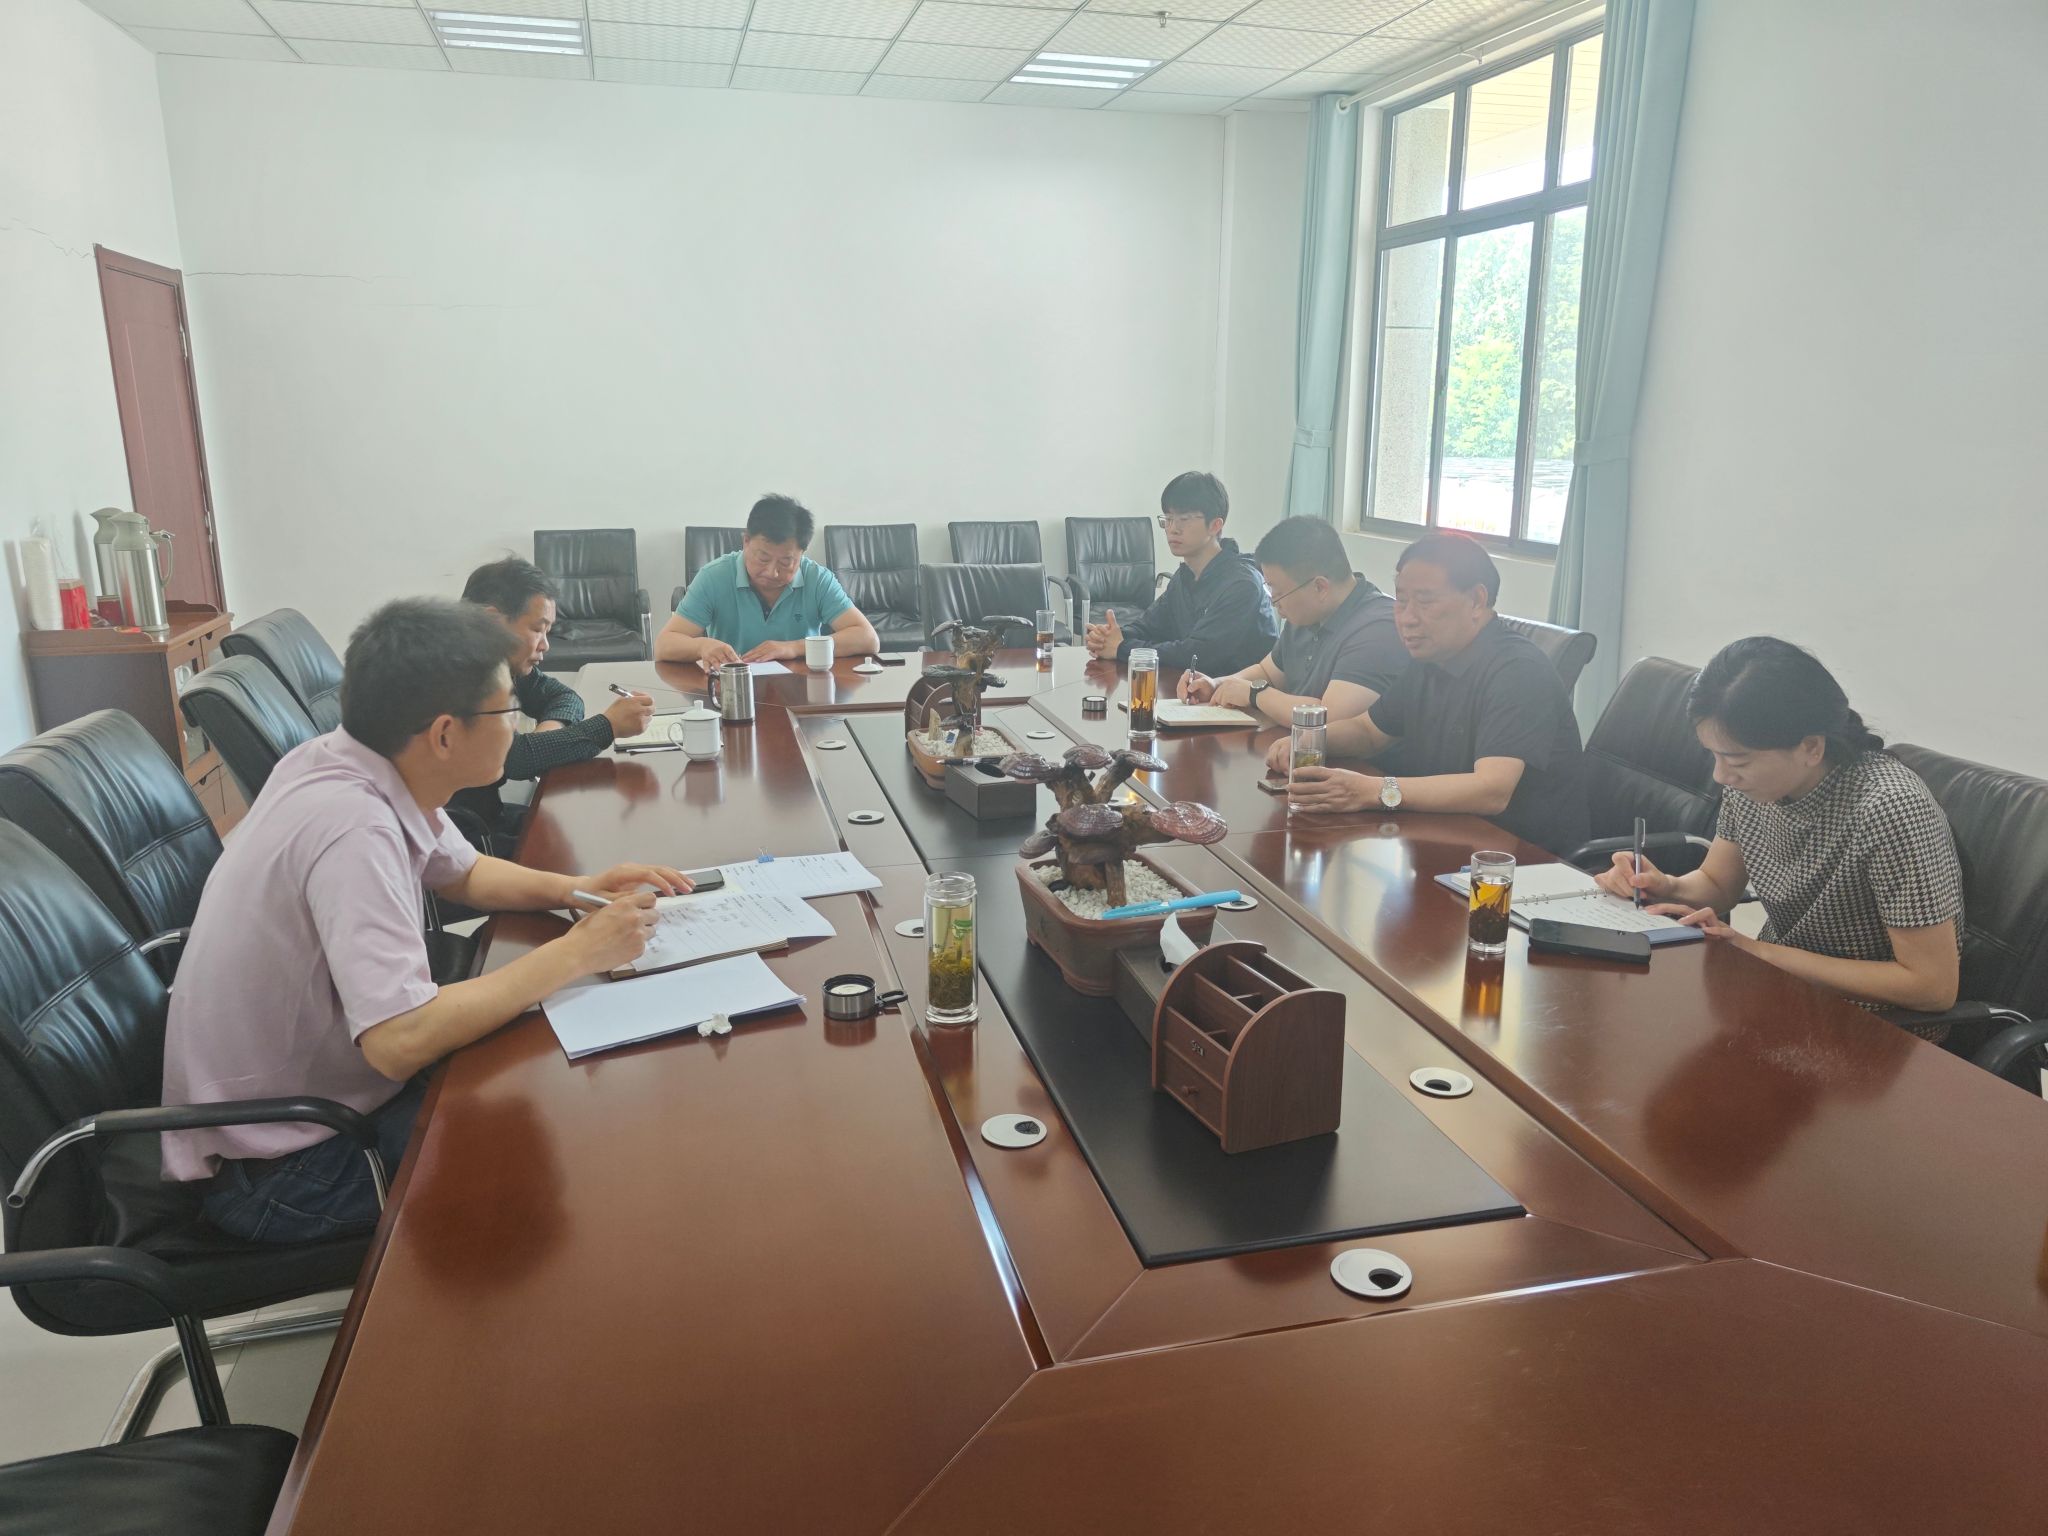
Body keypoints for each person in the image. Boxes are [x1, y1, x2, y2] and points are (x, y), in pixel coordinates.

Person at [161, 598, 690, 1242]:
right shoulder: (354, 829)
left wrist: (577, 890)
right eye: (508, 711)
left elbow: (463, 872)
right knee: (575, 1141)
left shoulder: (346, 760)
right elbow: (399, 1040)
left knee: (547, 1075)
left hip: (312, 1104)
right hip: (289, 1164)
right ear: (444, 735)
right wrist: (577, 952)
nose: (518, 724)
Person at [1593, 637, 1962, 1022]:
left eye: (1737, 760)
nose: (1721, 775)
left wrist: (1760, 951)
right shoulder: (1755, 786)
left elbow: (1932, 987)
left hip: (1872, 1023)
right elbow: (1718, 884)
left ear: (1811, 747)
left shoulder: (1891, 809)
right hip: (1777, 990)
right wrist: (1664, 885)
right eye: (1714, 755)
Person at [1273, 531, 1590, 856]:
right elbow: (1368, 732)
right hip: (1445, 837)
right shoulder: (1432, 658)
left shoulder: (1518, 670)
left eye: (1425, 602)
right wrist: (1310, 740)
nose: (1407, 619)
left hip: (1520, 860)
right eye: (1401, 601)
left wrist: (1373, 790)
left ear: (1477, 600)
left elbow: (1492, 790)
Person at [450, 556, 657, 850]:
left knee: (588, 827)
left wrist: (547, 733)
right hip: (461, 838)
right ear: (491, 621)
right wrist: (608, 726)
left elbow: (564, 697)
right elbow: (515, 759)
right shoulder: (456, 674)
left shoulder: (496, 661)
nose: (546, 645)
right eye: (538, 629)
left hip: (488, 817)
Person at [1178, 515, 1408, 729]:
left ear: (1320, 587)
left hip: (1342, 758)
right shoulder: (1307, 613)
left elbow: (1330, 718)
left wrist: (1255, 694)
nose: (1274, 603)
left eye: (1278, 593)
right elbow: (1267, 672)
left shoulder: (1378, 629)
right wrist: (1217, 685)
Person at [1083, 472, 1277, 676]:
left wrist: (1122, 648)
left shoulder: (1242, 584)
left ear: (1215, 525)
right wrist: (1109, 637)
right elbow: (1149, 626)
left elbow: (1199, 655)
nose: (1173, 529)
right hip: (1195, 687)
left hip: (1242, 692)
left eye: (1184, 519)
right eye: (1168, 519)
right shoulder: (1184, 577)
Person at [656, 495, 880, 668]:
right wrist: (702, 645)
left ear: (802, 553)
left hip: (804, 691)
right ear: (746, 541)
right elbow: (664, 645)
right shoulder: (714, 577)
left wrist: (793, 648)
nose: (772, 572)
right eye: (763, 558)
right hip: (735, 692)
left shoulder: (817, 579)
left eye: (786, 562)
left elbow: (868, 638)